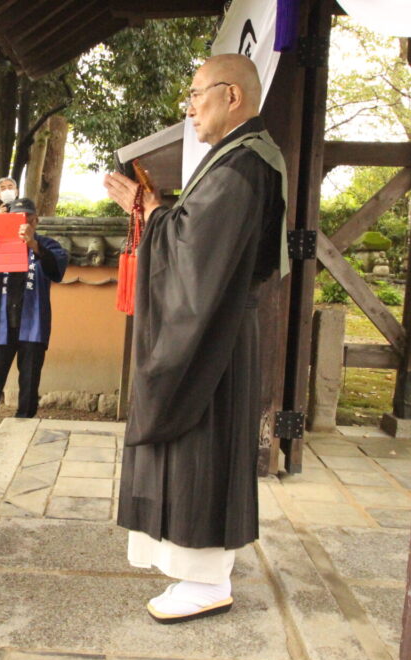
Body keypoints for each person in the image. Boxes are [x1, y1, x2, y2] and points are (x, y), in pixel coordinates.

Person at [103, 53, 288, 624]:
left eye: (196, 93)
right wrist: (159, 213)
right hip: (216, 325)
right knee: (193, 450)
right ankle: (197, 570)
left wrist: (148, 210)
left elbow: (194, 254)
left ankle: (206, 579)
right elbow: (194, 238)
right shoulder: (240, 157)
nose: (189, 107)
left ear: (231, 96)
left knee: (201, 448)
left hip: (212, 335)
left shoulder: (243, 165)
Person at [0, 197, 68, 458]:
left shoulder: (48, 245)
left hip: (33, 323)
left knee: (29, 379)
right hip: (3, 323)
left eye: (27, 218)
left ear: (36, 221)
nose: (22, 223)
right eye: (17, 218)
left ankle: (23, 428)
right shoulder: (0, 243)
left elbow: (57, 270)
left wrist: (33, 245)